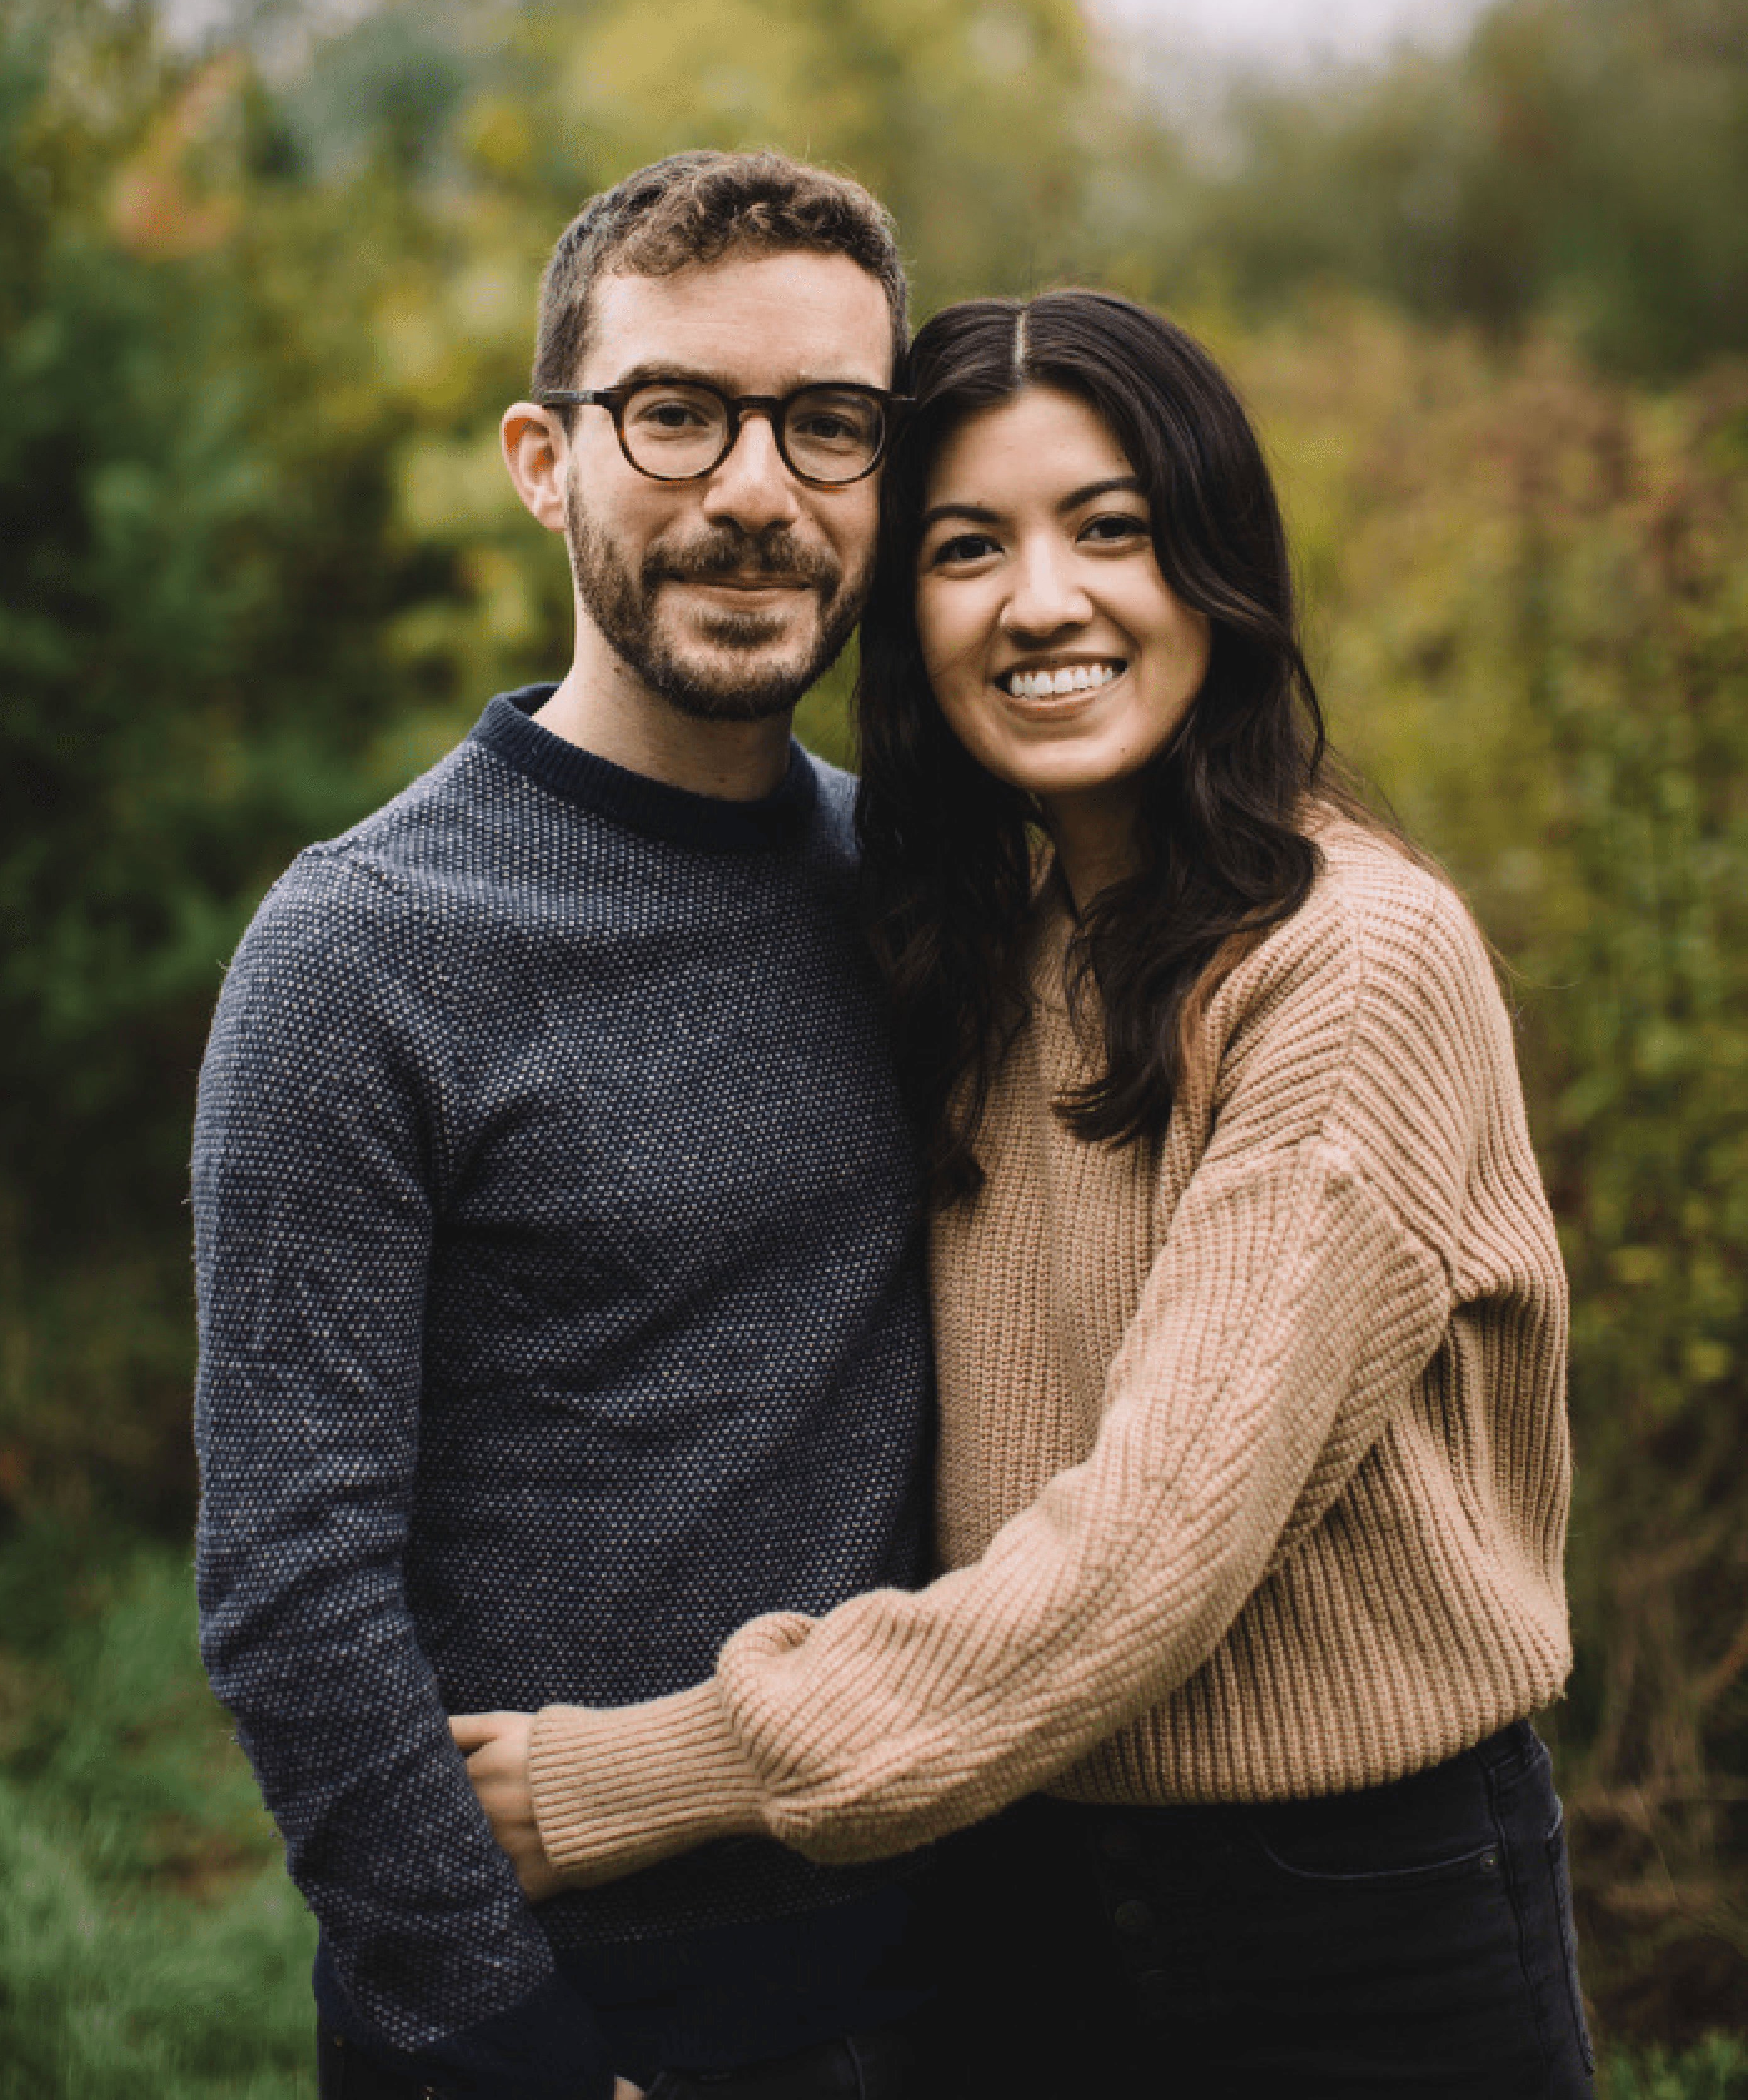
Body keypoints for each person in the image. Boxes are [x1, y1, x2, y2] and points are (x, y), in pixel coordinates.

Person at [452, 288, 1598, 2098]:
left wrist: (627, 1779)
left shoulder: (1352, 967)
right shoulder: (987, 946)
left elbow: (1141, 1564)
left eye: (1113, 530)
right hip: (1013, 1880)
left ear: (1217, 568)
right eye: (968, 545)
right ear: (904, 610)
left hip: (1351, 1922)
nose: (1041, 601)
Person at [192, 150, 942, 2100]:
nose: (757, 492)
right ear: (547, 458)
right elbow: (293, 1581)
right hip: (562, 2010)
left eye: (829, 425)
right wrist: (510, 2042)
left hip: (956, 1965)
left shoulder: (935, 901)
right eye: (678, 414)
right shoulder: (364, 950)